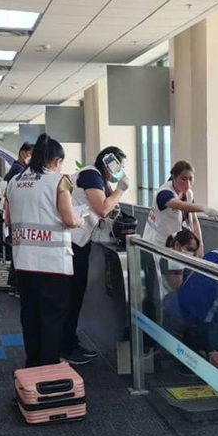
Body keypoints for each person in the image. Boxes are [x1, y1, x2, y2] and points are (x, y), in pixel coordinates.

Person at [5, 133, 81, 368]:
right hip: (52, 263)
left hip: (24, 262)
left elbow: (7, 219)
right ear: (56, 161)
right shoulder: (58, 182)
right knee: (52, 318)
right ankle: (47, 368)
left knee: (30, 316)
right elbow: (68, 219)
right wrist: (80, 220)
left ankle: (32, 364)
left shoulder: (14, 181)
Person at [64, 145, 131, 364]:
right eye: (117, 166)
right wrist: (121, 189)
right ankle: (66, 345)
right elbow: (103, 209)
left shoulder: (96, 177)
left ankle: (68, 342)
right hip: (73, 242)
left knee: (75, 294)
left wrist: (114, 189)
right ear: (108, 163)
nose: (119, 170)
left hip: (78, 241)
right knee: (71, 294)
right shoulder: (91, 175)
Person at [142, 160, 216, 248]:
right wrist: (203, 208)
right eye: (183, 179)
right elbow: (179, 205)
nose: (188, 184)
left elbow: (194, 220)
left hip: (175, 243)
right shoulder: (163, 193)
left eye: (190, 179)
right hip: (156, 242)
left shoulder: (188, 194)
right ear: (174, 178)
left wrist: (200, 245)